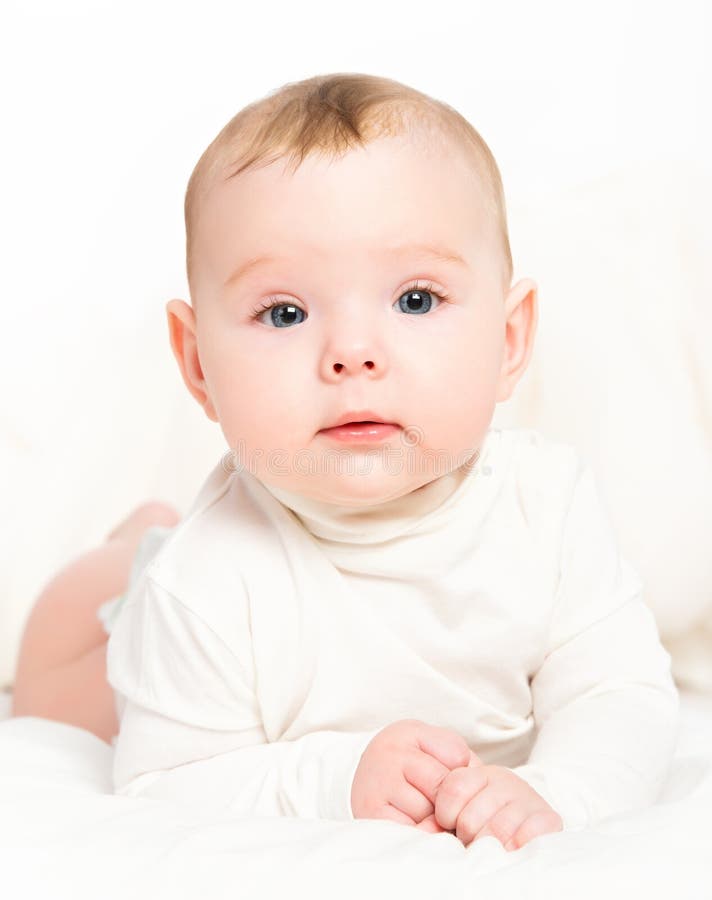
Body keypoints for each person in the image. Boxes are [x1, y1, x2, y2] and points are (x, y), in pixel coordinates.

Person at [10, 72, 679, 853]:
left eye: (416, 300)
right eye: (285, 313)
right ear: (198, 367)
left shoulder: (548, 509)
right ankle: (129, 551)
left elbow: (619, 693)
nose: (353, 353)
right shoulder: (202, 583)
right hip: (150, 634)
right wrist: (337, 779)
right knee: (60, 683)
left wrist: (557, 794)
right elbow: (165, 780)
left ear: (511, 340)